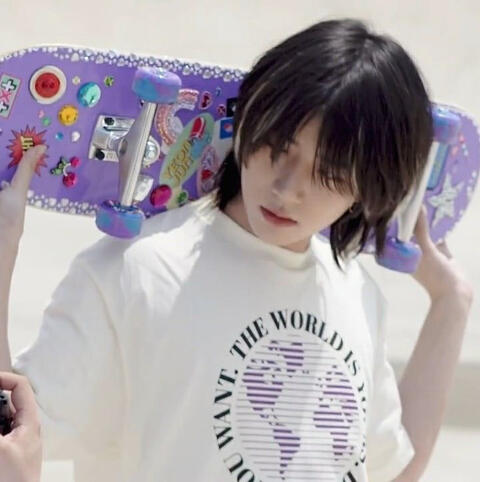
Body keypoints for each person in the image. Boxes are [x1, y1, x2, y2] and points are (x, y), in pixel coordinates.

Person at [0, 18, 473, 482]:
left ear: (368, 189)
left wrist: (451, 303)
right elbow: (13, 442)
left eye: (328, 173)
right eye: (277, 147)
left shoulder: (356, 293)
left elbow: (395, 469)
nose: (287, 188)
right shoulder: (135, 270)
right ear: (247, 119)